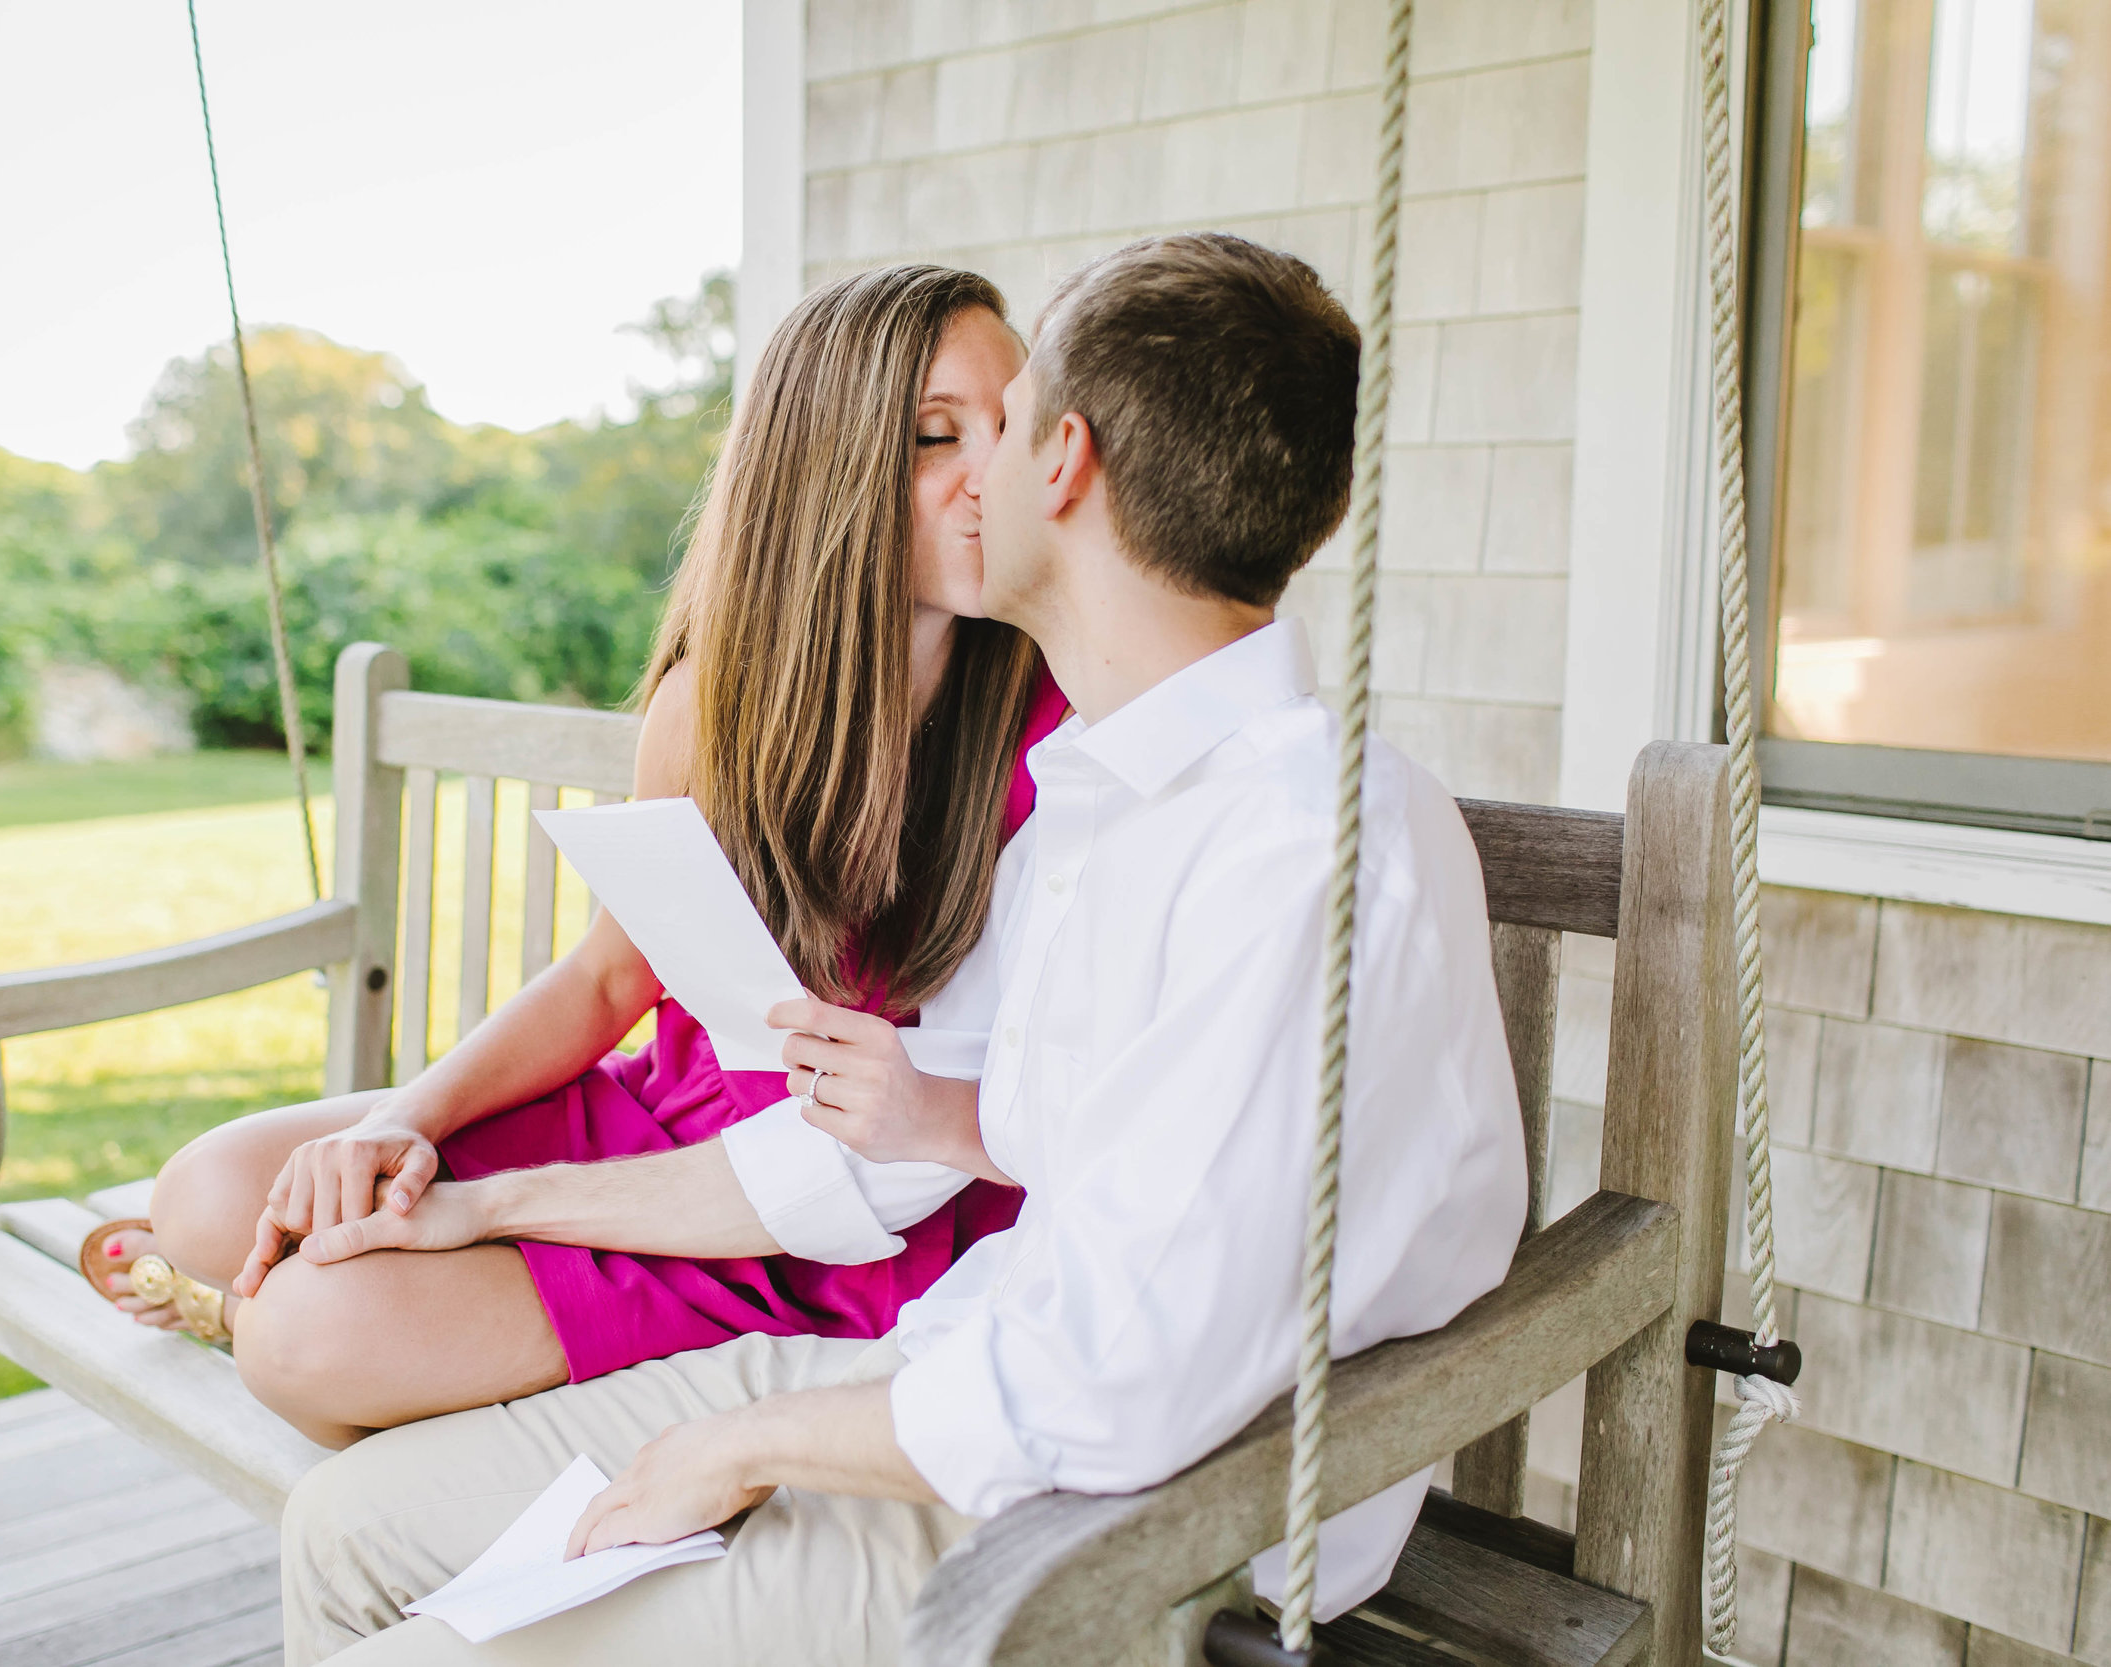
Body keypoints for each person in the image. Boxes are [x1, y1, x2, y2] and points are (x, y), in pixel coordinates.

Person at [275, 232, 1530, 1667]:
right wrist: (492, 1205)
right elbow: (892, 1140)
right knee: (343, 1524)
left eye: (1000, 424)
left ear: (1060, 463)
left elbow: (1108, 1387)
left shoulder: (1298, 845)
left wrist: (738, 1443)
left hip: (1113, 1519)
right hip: (951, 1372)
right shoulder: (1101, 805)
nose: (972, 463)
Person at [76, 263, 1071, 1448]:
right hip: (673, 1117)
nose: (988, 475)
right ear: (825, 466)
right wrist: (400, 1123)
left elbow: (951, 1112)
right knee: (211, 1189)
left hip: (840, 1209)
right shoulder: (720, 705)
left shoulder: (1057, 721)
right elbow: (613, 976)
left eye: (1009, 425)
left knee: (305, 1336)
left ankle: (323, 1319)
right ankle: (347, 1291)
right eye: (931, 435)